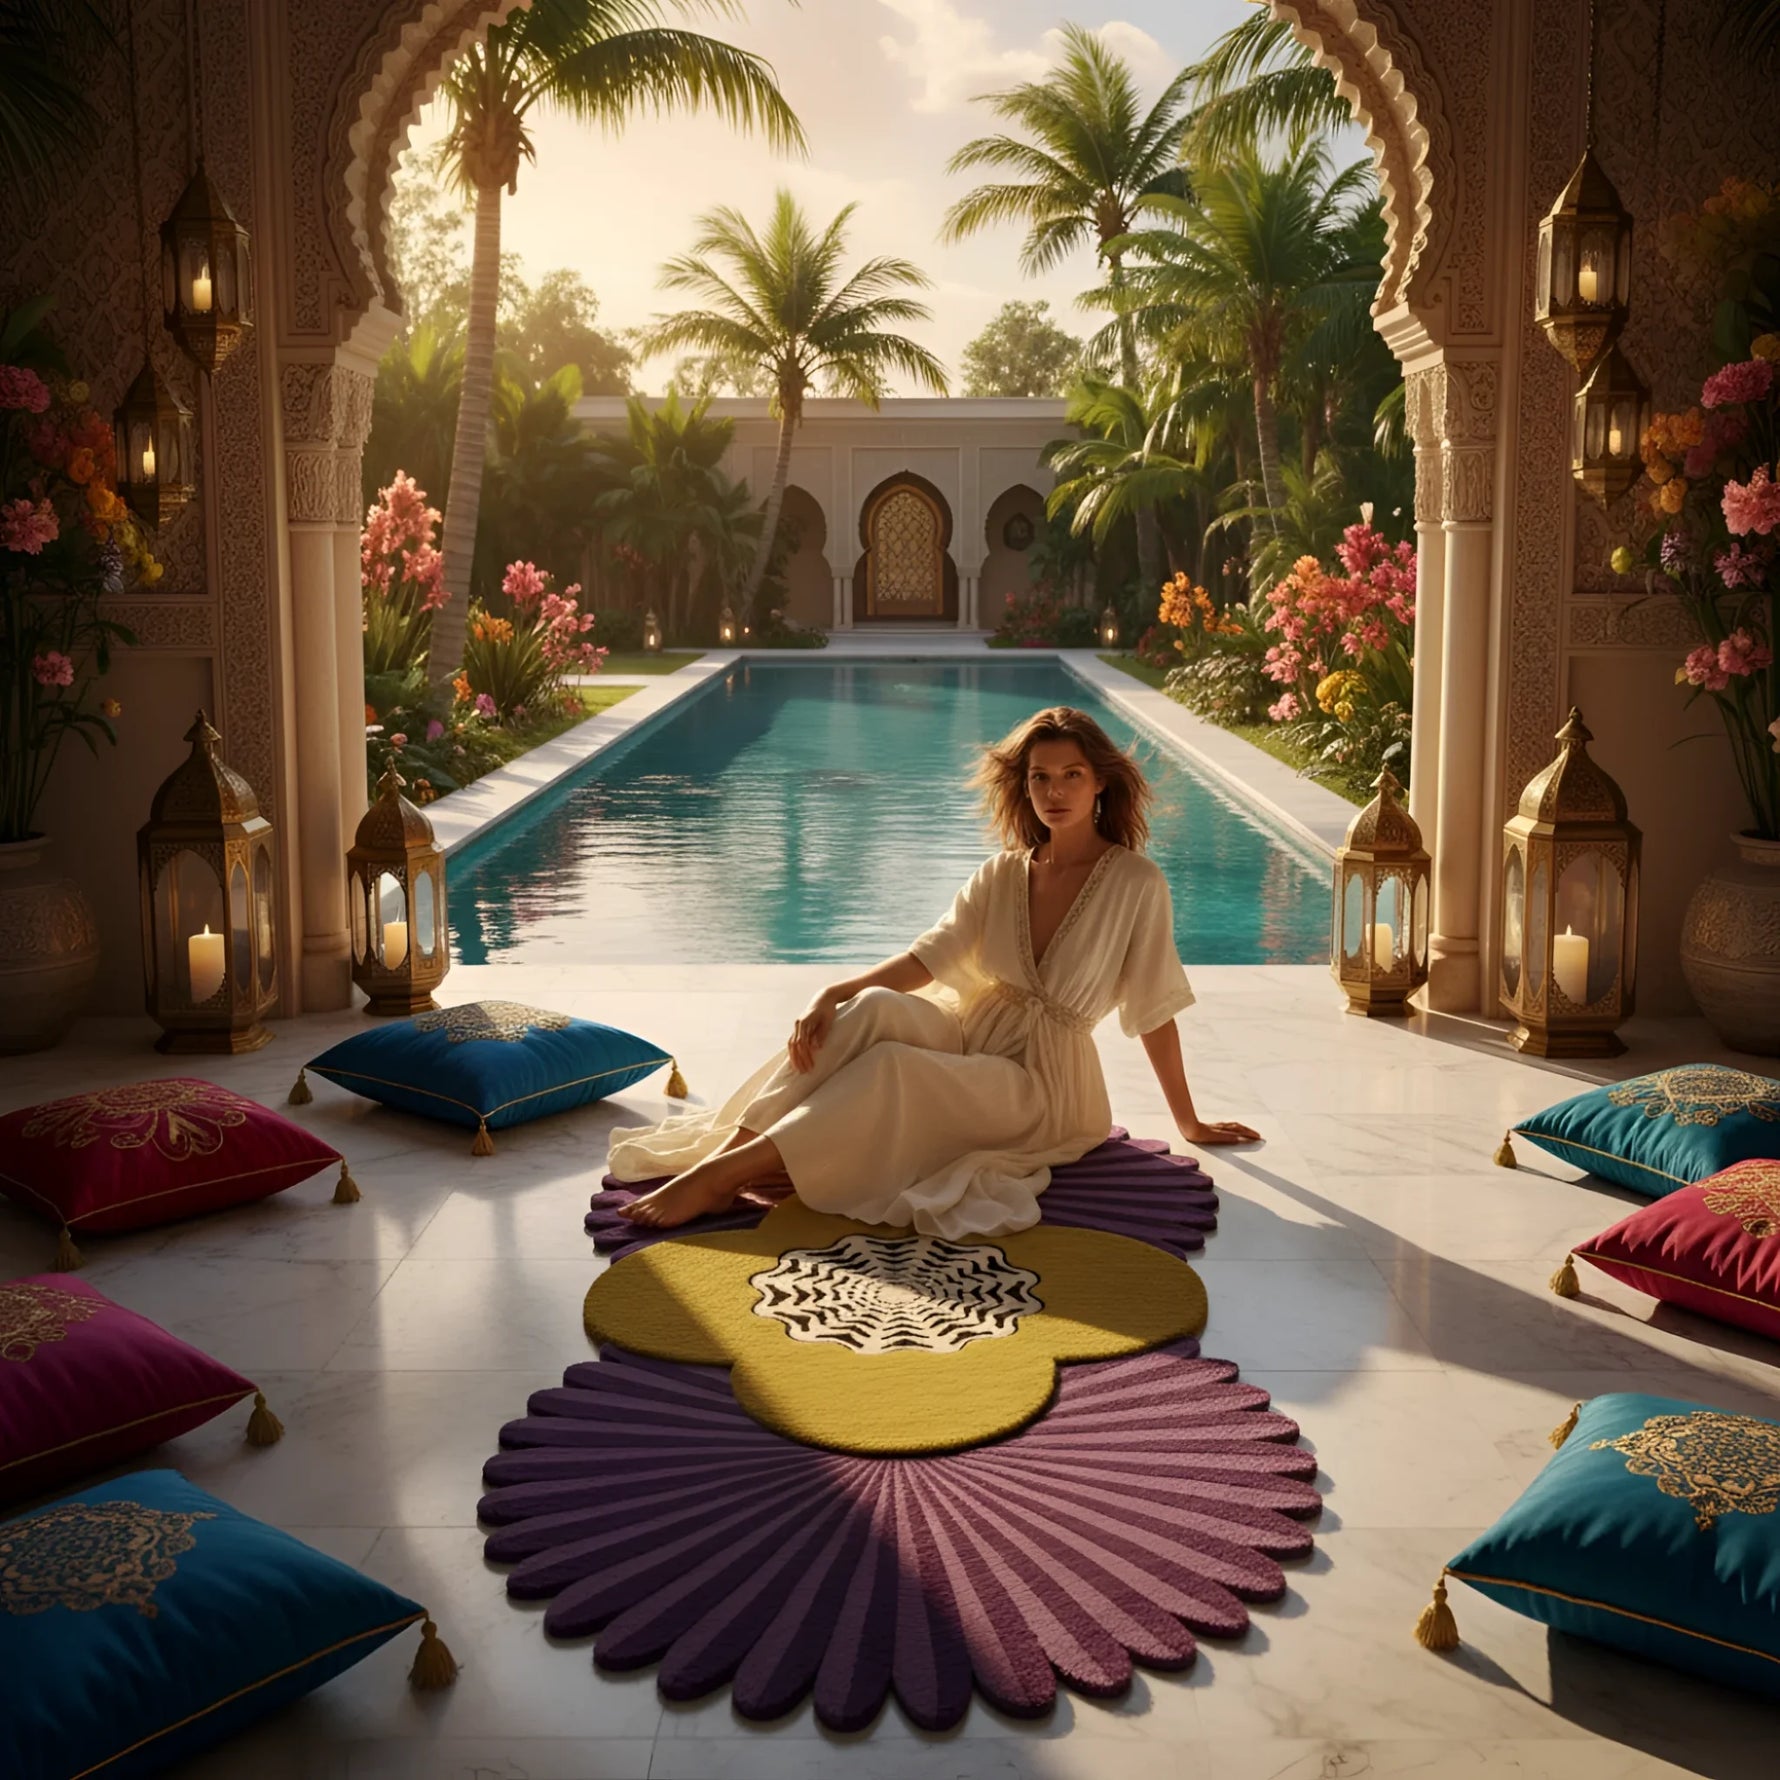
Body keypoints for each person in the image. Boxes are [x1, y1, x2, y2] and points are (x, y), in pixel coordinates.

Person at [611, 705, 1260, 1236]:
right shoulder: (1004, 872)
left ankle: (725, 1177)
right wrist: (832, 992)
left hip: (1044, 1086)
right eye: (1039, 777)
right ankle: (730, 1156)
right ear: (1023, 784)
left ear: (1100, 783)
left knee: (896, 1070)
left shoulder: (1136, 884)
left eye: (1071, 775)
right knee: (869, 1013)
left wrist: (1189, 1121)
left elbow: (1155, 1008)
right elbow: (931, 956)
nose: (1054, 793)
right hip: (973, 1035)